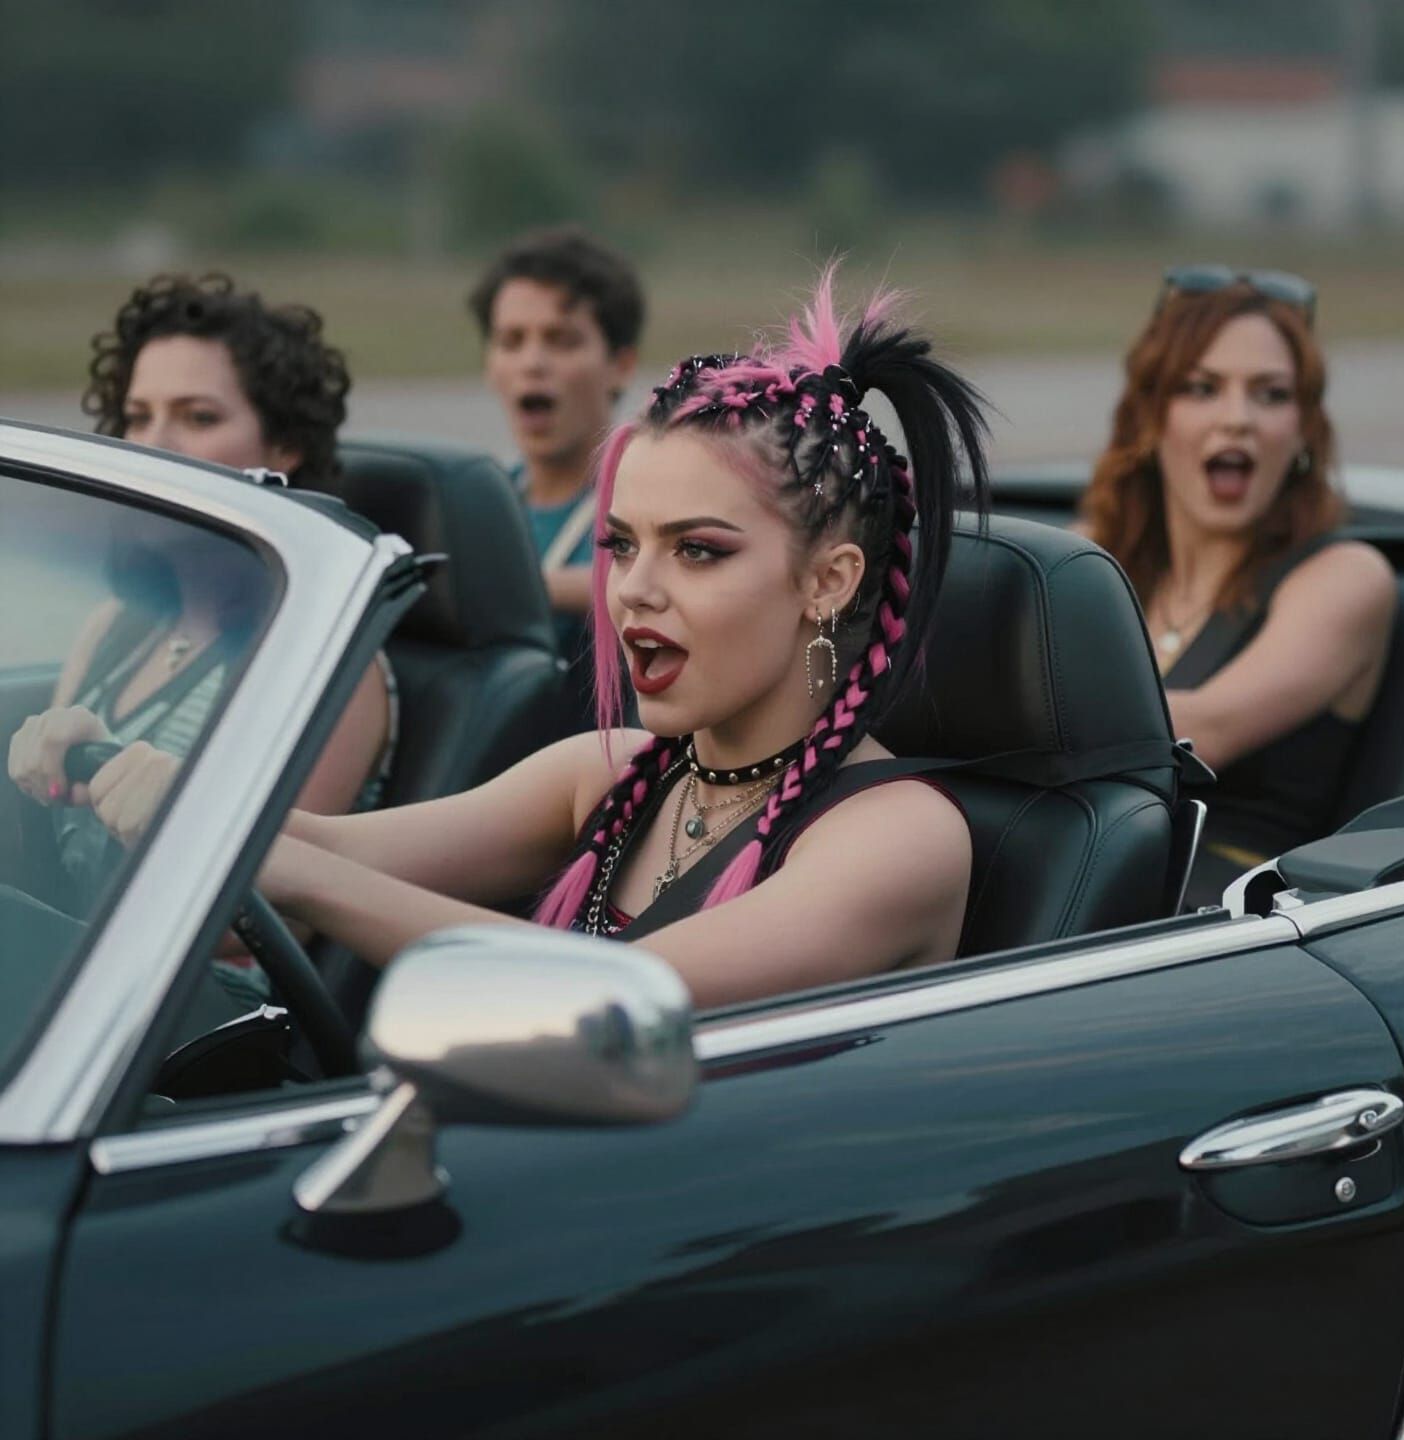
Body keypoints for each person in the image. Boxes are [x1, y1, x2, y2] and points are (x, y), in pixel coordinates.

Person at [81, 271, 991, 1010]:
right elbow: (339, 846)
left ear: (827, 581)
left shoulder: (898, 836)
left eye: (698, 551)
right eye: (622, 544)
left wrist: (276, 868)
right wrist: (145, 777)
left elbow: (618, 995)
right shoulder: (608, 773)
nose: (634, 589)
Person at [8, 273, 398, 916]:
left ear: (284, 446)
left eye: (198, 417)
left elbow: (264, 921)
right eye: (138, 417)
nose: (154, 446)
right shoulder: (114, 625)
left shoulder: (331, 661)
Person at [1079, 265, 1396, 905]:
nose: (1238, 419)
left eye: (1271, 395)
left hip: (1225, 919)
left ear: (1304, 428)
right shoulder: (1095, 555)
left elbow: (1202, 732)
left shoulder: (1348, 577)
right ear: (1151, 416)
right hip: (1081, 875)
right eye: (1202, 388)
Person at [468, 227, 644, 726]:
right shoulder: (480, 500)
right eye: (511, 341)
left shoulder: (647, 498)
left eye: (561, 340)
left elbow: (667, 584)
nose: (533, 362)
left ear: (620, 365)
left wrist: (515, 589)